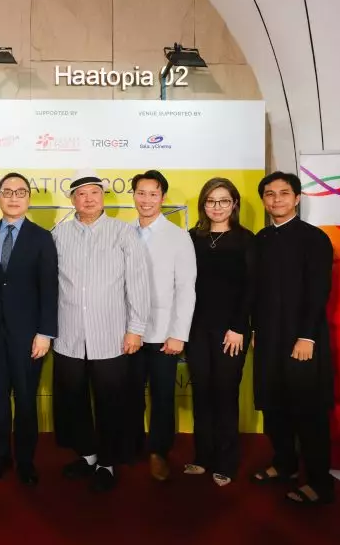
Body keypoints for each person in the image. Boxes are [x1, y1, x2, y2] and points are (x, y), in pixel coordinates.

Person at [52, 169, 151, 493]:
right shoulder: (58, 234)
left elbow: (137, 283)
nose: (88, 199)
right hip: (68, 337)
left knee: (111, 402)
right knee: (74, 400)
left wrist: (136, 329)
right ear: (73, 200)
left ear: (103, 197)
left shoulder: (123, 233)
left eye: (94, 192)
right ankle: (88, 454)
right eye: (81, 194)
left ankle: (108, 462)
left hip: (111, 337)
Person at [250, 171, 335, 505]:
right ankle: (284, 464)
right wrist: (254, 330)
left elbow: (319, 291)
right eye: (269, 194)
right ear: (263, 200)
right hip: (267, 338)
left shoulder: (314, 238)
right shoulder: (260, 239)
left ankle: (319, 482)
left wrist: (307, 337)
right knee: (274, 406)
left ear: (297, 198)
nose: (276, 200)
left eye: (284, 193)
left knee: (308, 411)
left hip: (302, 339)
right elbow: (255, 292)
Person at [0, 172, 58, 486]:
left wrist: (45, 333)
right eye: (7, 192)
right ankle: (0, 457)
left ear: (28, 198)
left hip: (29, 336)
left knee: (25, 400)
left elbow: (49, 288)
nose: (13, 198)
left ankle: (25, 461)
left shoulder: (42, 237)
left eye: (20, 192)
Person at [183, 177, 254, 487]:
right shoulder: (191, 238)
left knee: (225, 393)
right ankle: (203, 457)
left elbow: (251, 288)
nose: (217, 207)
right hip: (196, 328)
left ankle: (226, 461)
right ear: (203, 204)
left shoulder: (246, 240)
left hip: (231, 331)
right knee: (202, 392)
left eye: (224, 200)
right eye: (211, 201)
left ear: (234, 204)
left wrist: (238, 327)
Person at [126, 170, 196, 481]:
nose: (146, 200)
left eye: (153, 194)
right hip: (128, 332)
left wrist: (178, 334)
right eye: (141, 193)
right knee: (129, 393)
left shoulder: (178, 236)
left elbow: (186, 288)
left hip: (164, 333)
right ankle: (131, 445)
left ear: (162, 198)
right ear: (133, 196)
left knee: (163, 395)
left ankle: (159, 451)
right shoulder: (124, 232)